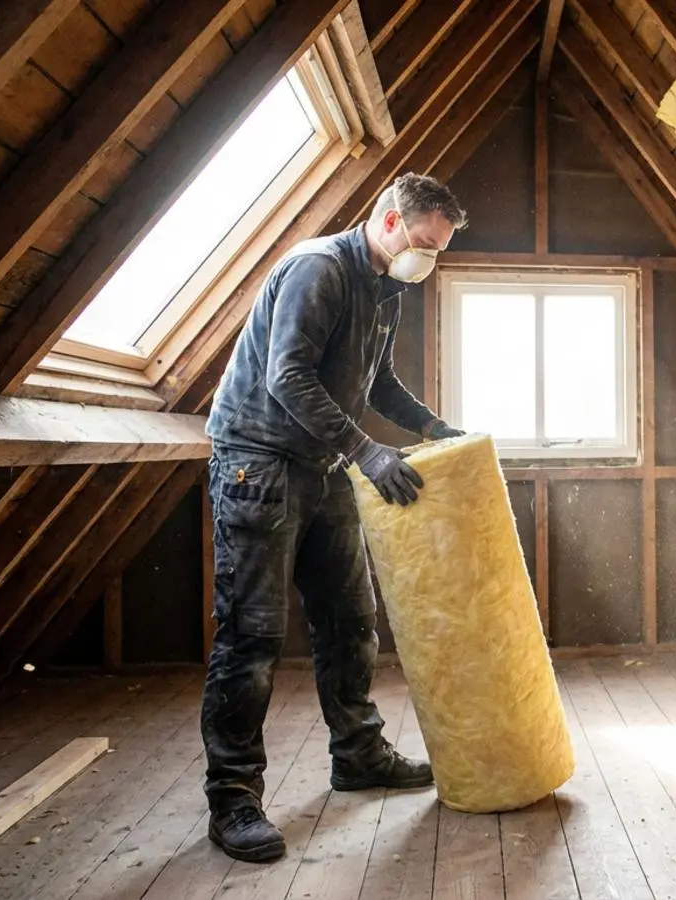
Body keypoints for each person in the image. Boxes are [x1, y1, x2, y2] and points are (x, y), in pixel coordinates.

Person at [200, 173, 469, 862]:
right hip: (258, 463)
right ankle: (233, 799)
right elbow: (286, 376)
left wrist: (436, 427)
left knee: (351, 620)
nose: (427, 260)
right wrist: (369, 452)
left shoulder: (387, 287)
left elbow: (375, 381)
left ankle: (358, 754)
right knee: (251, 637)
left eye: (438, 250)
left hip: (321, 464)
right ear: (387, 221)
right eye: (424, 243)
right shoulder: (318, 268)